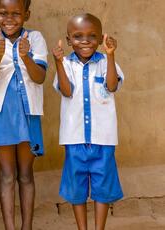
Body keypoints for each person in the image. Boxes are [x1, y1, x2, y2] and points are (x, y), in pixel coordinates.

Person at [52, 13, 124, 230]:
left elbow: (112, 86)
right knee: (76, 189)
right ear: (68, 40)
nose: (85, 41)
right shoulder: (65, 63)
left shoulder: (105, 62)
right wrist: (57, 62)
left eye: (92, 36)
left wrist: (111, 55)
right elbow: (66, 91)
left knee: (103, 188)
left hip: (103, 138)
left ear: (101, 38)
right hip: (74, 139)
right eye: (78, 36)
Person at [0, 0, 48, 229]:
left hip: (28, 112)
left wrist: (27, 56)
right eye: (3, 13)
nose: (9, 19)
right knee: (7, 174)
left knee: (26, 174)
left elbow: (40, 77)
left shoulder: (36, 38)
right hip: (1, 114)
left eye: (16, 14)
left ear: (26, 14)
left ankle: (26, 226)